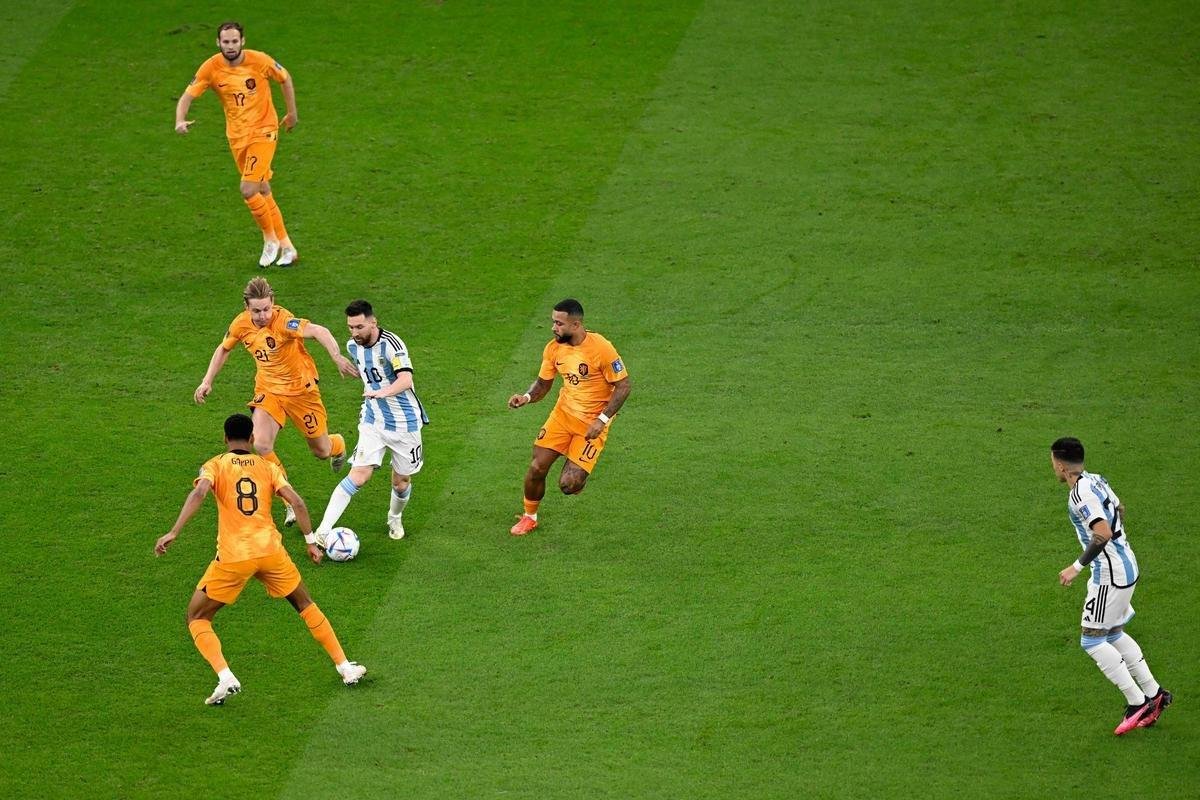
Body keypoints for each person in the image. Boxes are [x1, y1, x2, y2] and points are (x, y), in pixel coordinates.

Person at [155, 413, 367, 705]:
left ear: (225, 438)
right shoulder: (268, 467)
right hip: (271, 553)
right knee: (305, 605)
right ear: (253, 438)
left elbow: (200, 492)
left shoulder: (215, 465)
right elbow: (297, 502)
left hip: (234, 558)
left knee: (197, 617)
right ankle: (346, 667)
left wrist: (174, 531)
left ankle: (225, 676)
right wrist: (310, 542)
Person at [195, 276, 358, 525]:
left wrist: (336, 356)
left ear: (273, 303)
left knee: (321, 451)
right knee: (260, 444)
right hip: (269, 392)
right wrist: (207, 381)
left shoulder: (284, 322)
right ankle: (289, 502)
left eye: (266, 309)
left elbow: (318, 330)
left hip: (302, 393)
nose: (262, 315)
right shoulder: (241, 324)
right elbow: (224, 348)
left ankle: (338, 444)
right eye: (256, 310)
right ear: (246, 308)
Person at [1050, 437, 1171, 735]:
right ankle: (1155, 695)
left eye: (1053, 461)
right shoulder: (1096, 480)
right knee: (1114, 633)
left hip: (1110, 575)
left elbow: (1101, 532)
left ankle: (1137, 701)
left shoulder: (1080, 495)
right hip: (1127, 563)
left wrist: (1076, 567)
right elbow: (1120, 508)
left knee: (1091, 640)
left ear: (1062, 465)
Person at [175, 20, 301, 267]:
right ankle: (288, 248)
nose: (230, 46)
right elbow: (187, 95)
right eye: (226, 42)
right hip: (236, 137)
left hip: (263, 132)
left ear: (242, 41)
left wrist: (292, 113)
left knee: (248, 189)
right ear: (218, 42)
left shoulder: (260, 60)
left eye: (235, 41)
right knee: (263, 188)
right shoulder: (211, 68)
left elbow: (285, 78)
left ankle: (270, 239)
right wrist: (179, 119)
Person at [506, 298, 631, 535]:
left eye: (559, 323)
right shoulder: (553, 348)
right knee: (536, 467)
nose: (554, 328)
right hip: (562, 416)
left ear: (576, 325)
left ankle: (576, 470)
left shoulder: (601, 348)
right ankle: (529, 517)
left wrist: (602, 420)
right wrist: (526, 397)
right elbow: (543, 384)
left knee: (569, 485)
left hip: (592, 423)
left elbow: (624, 386)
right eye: (553, 322)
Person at [314, 300, 429, 542]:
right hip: (373, 420)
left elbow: (406, 379)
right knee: (359, 475)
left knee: (401, 482)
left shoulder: (392, 345)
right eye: (350, 328)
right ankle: (323, 532)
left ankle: (394, 517)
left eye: (359, 327)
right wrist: (338, 361)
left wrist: (382, 392)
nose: (355, 333)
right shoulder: (352, 346)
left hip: (405, 423)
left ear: (373, 322)